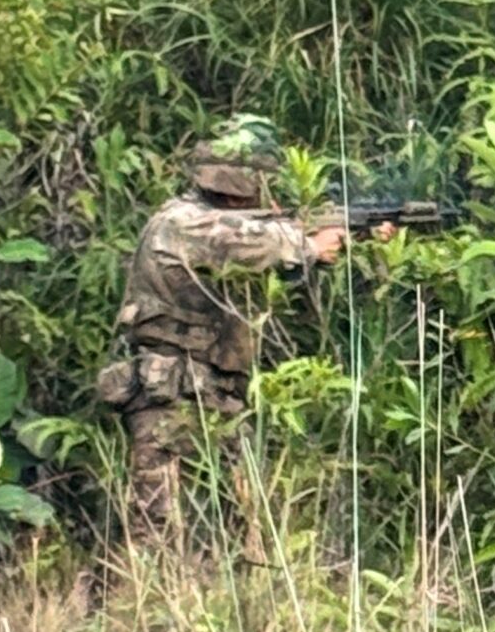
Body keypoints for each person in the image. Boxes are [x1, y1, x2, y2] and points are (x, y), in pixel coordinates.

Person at [97, 117, 379, 530]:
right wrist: (309, 244)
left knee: (246, 523)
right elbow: (238, 241)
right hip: (169, 395)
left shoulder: (228, 222)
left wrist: (355, 239)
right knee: (155, 528)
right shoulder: (181, 221)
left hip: (219, 397)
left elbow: (264, 249)